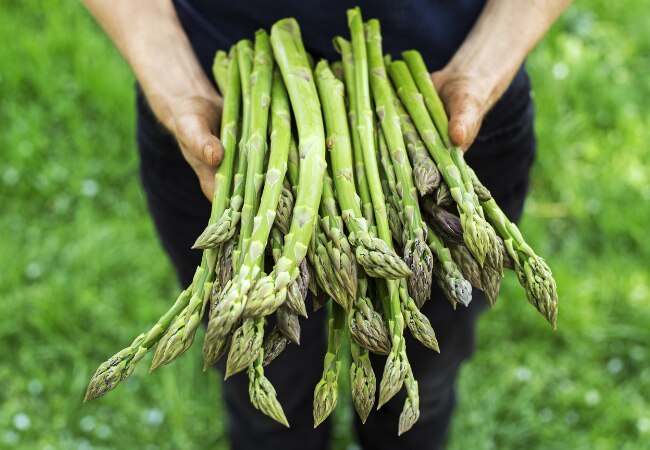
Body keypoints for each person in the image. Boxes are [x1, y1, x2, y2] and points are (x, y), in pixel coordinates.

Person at [82, 1, 571, 449]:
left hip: (441, 128)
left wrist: (484, 68)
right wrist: (170, 76)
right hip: (221, 120)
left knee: (418, 399)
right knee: (266, 417)